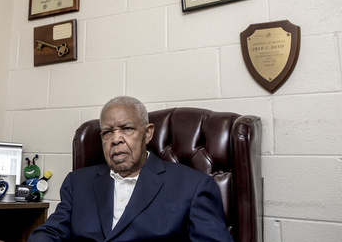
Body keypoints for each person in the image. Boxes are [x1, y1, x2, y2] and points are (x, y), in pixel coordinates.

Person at [27, 96, 234, 242]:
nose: (116, 139)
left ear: (148, 133)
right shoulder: (77, 182)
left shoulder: (193, 186)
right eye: (108, 132)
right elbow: (50, 233)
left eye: (127, 129)